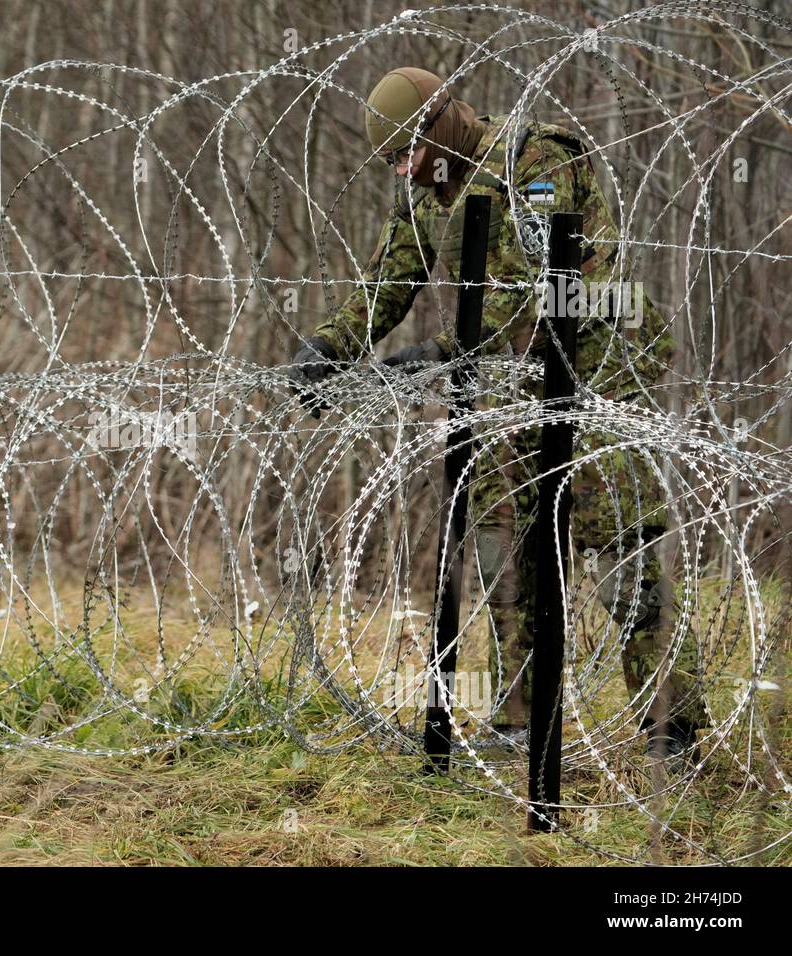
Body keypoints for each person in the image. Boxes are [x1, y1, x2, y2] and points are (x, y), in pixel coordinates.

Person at [287, 67, 708, 763]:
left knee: (613, 536)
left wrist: (442, 353)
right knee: (501, 530)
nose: (402, 170)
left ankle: (673, 724)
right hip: (518, 375)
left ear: (438, 127)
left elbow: (544, 282)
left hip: (597, 355)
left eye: (406, 153)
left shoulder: (534, 159)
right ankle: (521, 717)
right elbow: (389, 280)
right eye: (392, 161)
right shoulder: (427, 193)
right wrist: (331, 345)